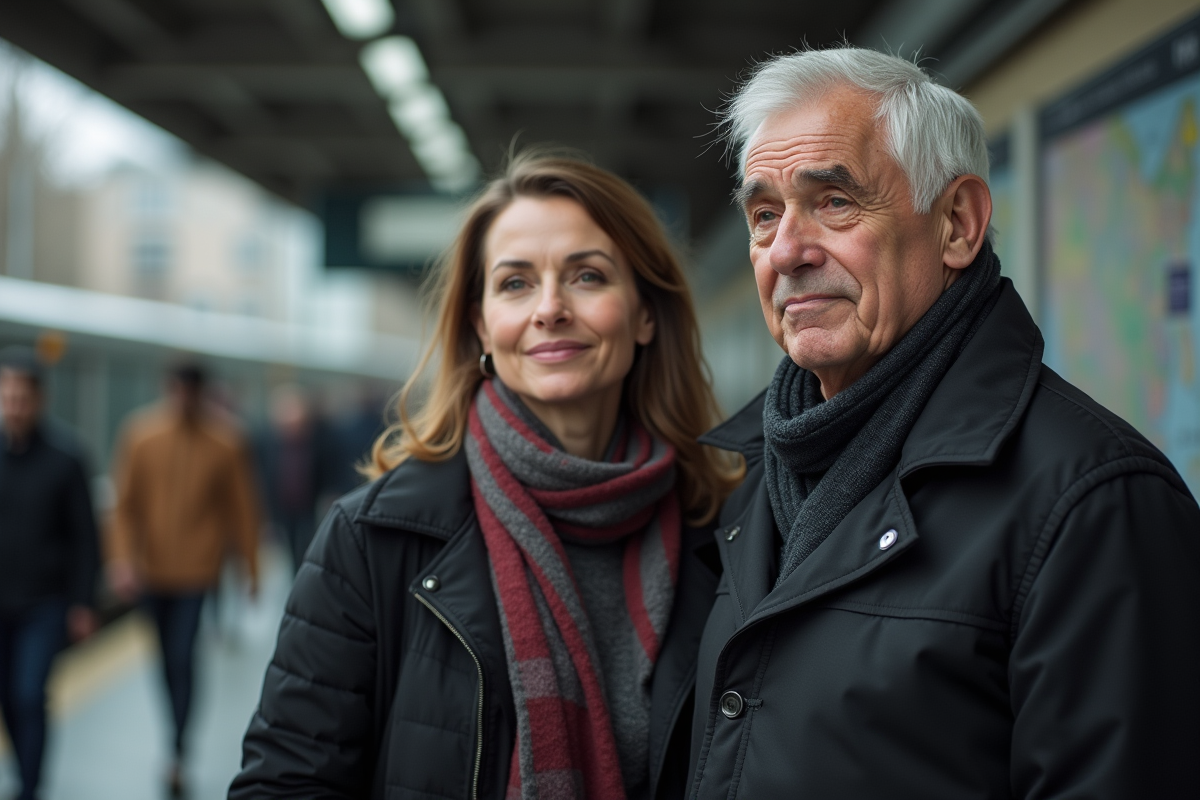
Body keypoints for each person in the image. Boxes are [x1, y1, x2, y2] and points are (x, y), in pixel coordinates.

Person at [686, 46, 1200, 799]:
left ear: (958, 223)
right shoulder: (758, 479)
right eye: (765, 216)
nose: (786, 252)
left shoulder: (1096, 504)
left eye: (834, 202)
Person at [230, 153, 743, 800]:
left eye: (587, 276)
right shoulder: (372, 540)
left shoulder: (730, 534)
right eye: (515, 283)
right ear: (479, 324)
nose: (550, 308)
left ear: (645, 313)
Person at [108, 362, 260, 798]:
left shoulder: (226, 442)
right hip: (151, 570)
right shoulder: (140, 435)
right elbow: (124, 504)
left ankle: (178, 747)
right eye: (177, 390)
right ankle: (173, 735)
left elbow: (243, 508)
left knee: (182, 656)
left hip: (198, 570)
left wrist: (251, 568)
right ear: (168, 389)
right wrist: (121, 561)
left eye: (191, 391)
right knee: (163, 660)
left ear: (202, 393)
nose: (184, 399)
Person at [0, 347, 99, 800]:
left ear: (40, 399)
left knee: (29, 693)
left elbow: (85, 537)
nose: (15, 406)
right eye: (8, 397)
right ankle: (25, 771)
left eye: (23, 398)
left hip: (45, 603)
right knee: (7, 696)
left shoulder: (67, 458)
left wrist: (82, 603)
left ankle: (30, 786)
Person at [255, 384, 322, 573]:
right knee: (283, 549)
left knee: (306, 546)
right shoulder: (267, 440)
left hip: (307, 505)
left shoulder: (316, 439)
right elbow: (261, 474)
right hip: (280, 506)